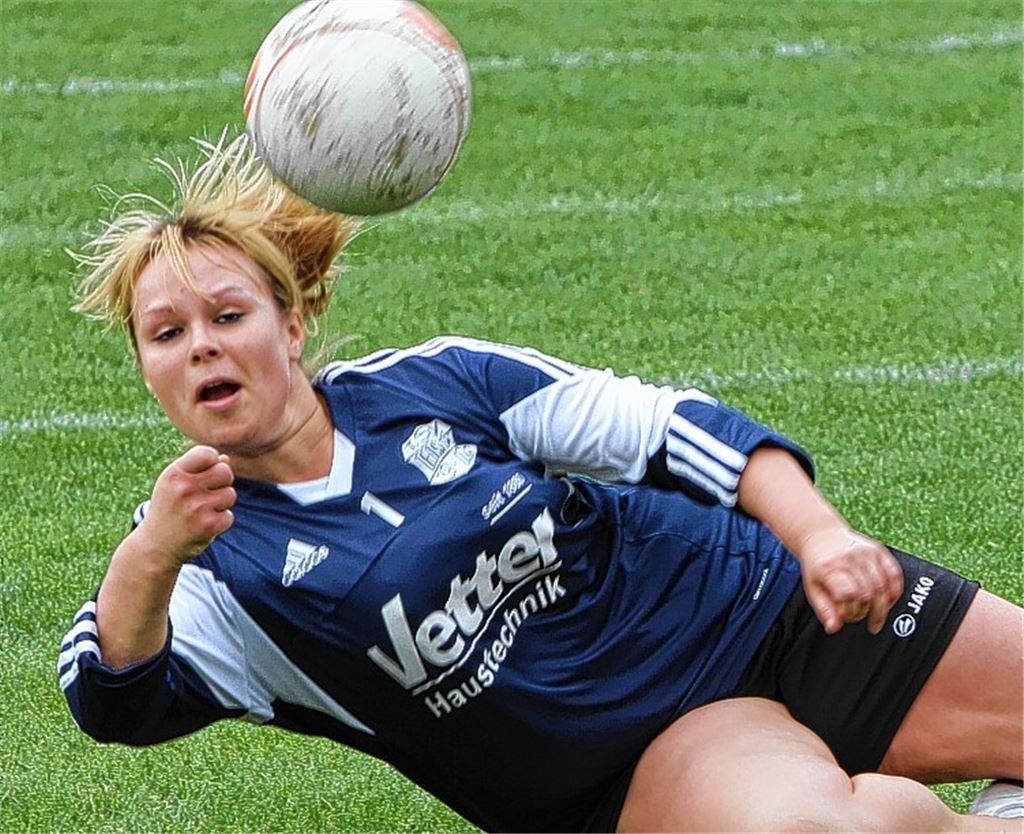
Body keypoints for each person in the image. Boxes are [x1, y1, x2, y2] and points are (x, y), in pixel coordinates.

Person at [59, 133, 1023, 833]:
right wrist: (151, 555)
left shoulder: (434, 384)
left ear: (293, 325)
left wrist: (818, 536)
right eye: (167, 333)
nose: (203, 347)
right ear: (146, 366)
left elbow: (669, 429)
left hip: (763, 599)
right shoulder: (208, 559)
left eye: (228, 314)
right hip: (645, 754)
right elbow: (112, 698)